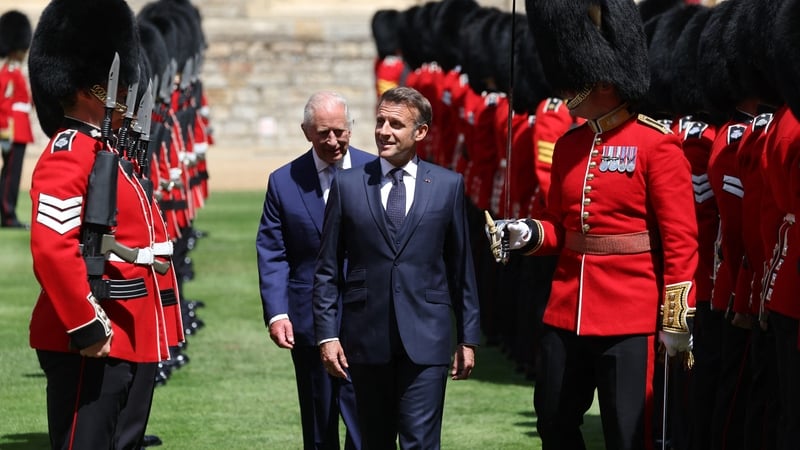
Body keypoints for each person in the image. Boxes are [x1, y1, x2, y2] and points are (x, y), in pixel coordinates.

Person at [489, 1, 699, 448]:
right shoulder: (569, 145)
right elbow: (560, 226)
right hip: (567, 306)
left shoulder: (656, 145)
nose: (566, 92)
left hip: (631, 313)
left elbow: (681, 240)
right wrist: (528, 234)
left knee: (628, 433)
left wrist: (675, 319)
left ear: (604, 80)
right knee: (553, 420)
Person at [27, 0, 180, 448]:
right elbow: (52, 245)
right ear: (86, 89)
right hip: (95, 337)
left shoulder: (111, 154)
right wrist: (84, 324)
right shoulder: (70, 148)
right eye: (104, 86)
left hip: (130, 333)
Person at [313, 86, 481, 449]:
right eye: (379, 122)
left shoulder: (448, 186)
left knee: (420, 443)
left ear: (420, 132)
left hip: (427, 339)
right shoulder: (347, 184)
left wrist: (468, 337)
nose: (383, 131)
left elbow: (461, 267)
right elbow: (326, 269)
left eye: (395, 124)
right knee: (371, 442)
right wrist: (328, 335)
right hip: (364, 339)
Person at [256, 91, 369, 450]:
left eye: (340, 131)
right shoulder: (284, 181)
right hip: (308, 320)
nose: (333, 141)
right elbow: (273, 251)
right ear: (307, 132)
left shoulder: (375, 172)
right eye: (323, 133)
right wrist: (277, 313)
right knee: (319, 425)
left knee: (368, 423)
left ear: (351, 129)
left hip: (366, 316)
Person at [0, 10, 33, 229]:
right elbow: (3, 104)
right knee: (11, 176)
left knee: (12, 174)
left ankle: (8, 213)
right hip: (12, 130)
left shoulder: (16, 72)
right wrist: (4, 131)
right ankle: (8, 215)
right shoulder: (7, 73)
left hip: (20, 128)